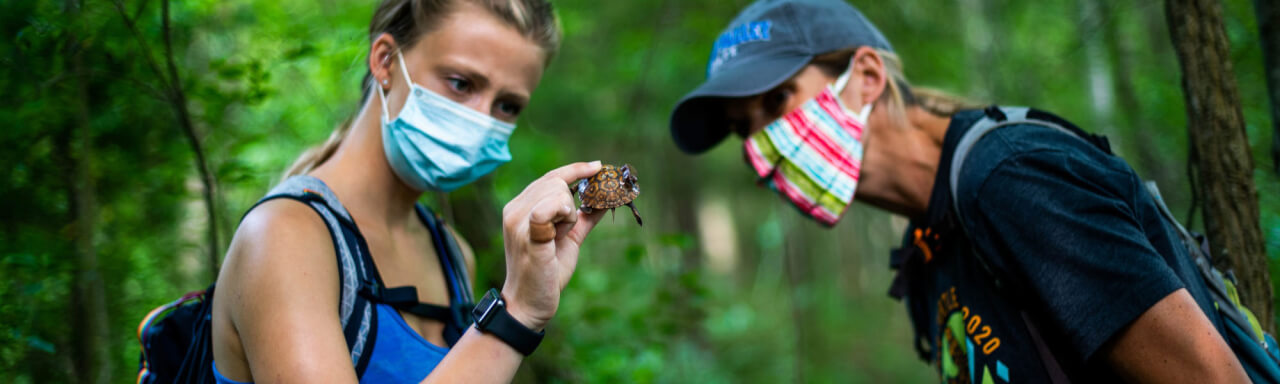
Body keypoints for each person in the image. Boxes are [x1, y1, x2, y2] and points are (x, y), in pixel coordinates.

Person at [668, 0, 1252, 382]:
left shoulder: (1012, 180)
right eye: (745, 130)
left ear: (867, 77)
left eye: (777, 101)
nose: (763, 143)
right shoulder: (928, 244)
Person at [210, 0, 605, 382]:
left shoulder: (452, 254)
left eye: (507, 106)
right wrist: (515, 312)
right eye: (460, 83)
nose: (481, 121)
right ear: (384, 61)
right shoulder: (285, 236)